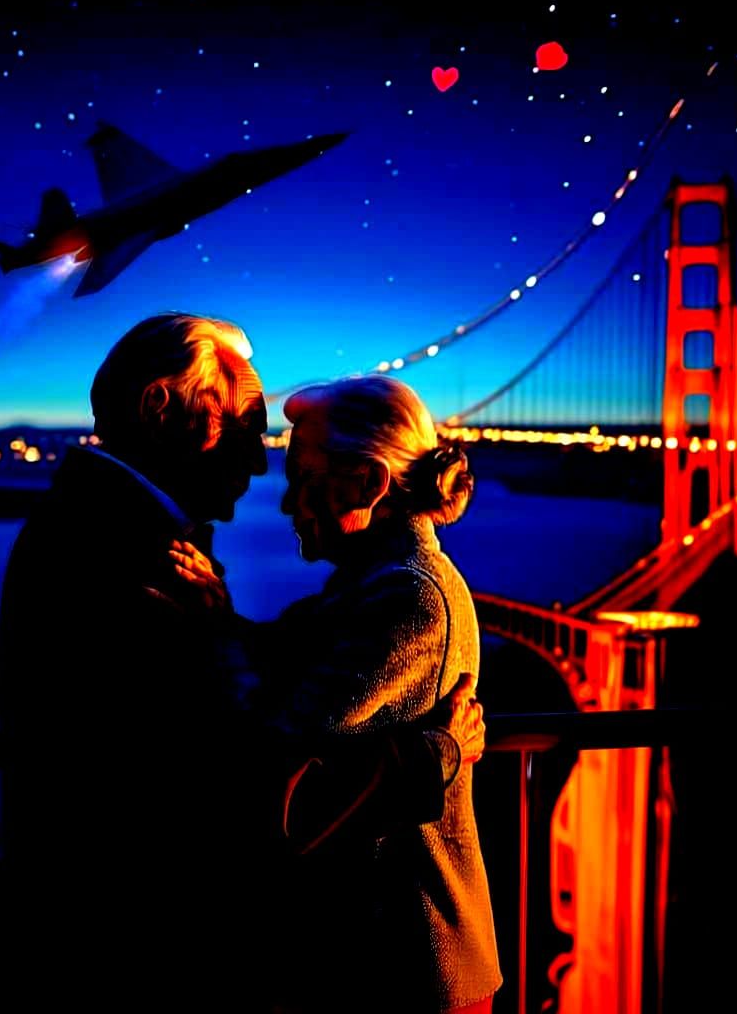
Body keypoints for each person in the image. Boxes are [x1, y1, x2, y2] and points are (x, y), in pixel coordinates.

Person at [0, 313, 485, 1011]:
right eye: (248, 427)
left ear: (371, 483)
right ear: (161, 407)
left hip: (388, 959)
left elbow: (266, 739)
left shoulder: (399, 591)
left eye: (290, 461)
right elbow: (248, 777)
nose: (262, 468)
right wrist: (436, 751)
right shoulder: (129, 552)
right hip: (139, 940)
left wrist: (223, 627)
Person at [173, 374, 503, 1012]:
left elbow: (278, 745)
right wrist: (220, 618)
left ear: (368, 483)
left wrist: (439, 750)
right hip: (387, 952)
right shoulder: (373, 579)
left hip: (407, 962)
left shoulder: (408, 596)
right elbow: (288, 657)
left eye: (304, 479)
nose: (288, 503)